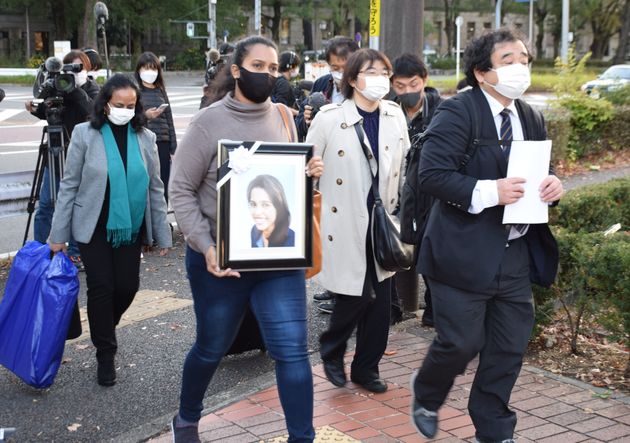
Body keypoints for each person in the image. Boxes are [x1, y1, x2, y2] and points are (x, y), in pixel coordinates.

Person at [409, 29, 563, 441]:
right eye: (509, 59)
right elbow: (432, 176)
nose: (521, 67)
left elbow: (539, 173)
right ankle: (426, 392)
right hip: (461, 252)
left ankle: (493, 431)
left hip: (514, 252)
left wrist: (552, 185)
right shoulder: (459, 112)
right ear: (482, 72)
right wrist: (490, 191)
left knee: (508, 349)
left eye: (525, 59)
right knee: (460, 343)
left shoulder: (530, 115)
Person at [169, 35, 323, 443]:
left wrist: (309, 172)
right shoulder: (208, 122)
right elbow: (180, 190)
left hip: (278, 258)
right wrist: (206, 244)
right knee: (211, 347)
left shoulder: (286, 118)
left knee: (292, 351)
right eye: (258, 67)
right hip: (220, 261)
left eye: (274, 69)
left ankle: (301, 437)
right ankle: (186, 418)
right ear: (236, 70)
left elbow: (287, 183)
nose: (267, 75)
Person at [48, 74, 172, 387]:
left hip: (129, 226)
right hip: (93, 225)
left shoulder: (144, 137)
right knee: (102, 286)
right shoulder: (84, 134)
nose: (126, 110)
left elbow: (155, 188)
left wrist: (163, 232)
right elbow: (69, 185)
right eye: (120, 105)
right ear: (105, 105)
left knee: (127, 287)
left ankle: (104, 327)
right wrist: (58, 236)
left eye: (132, 105)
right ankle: (106, 352)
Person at [305, 48, 410, 394]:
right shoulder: (329, 117)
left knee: (380, 302)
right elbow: (304, 166)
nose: (380, 78)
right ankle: (332, 349)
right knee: (355, 296)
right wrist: (311, 172)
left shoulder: (394, 115)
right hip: (345, 221)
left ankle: (367, 369)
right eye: (371, 72)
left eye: (384, 71)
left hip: (382, 221)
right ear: (352, 79)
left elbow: (404, 168)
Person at [26, 49, 100, 271]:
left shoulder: (92, 89)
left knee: (78, 206)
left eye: (78, 67)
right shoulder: (59, 85)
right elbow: (49, 109)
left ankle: (76, 254)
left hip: (80, 157)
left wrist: (75, 89)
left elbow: (93, 111)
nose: (73, 72)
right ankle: (41, 251)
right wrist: (37, 109)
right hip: (55, 151)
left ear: (86, 69)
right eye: (69, 67)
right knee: (46, 204)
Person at [390, 53, 443, 327]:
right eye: (400, 86)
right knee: (389, 252)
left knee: (431, 253)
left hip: (429, 195)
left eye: (413, 84)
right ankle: (392, 310)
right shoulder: (387, 112)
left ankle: (434, 310)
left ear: (424, 80)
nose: (408, 91)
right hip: (395, 193)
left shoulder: (443, 111)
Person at [134, 51, 177, 202]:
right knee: (145, 182)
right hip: (142, 142)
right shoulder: (135, 92)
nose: (149, 72)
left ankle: (162, 219)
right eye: (146, 68)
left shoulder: (160, 90)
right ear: (138, 70)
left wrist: (173, 147)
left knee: (163, 181)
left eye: (153, 68)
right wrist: (146, 116)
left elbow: (169, 118)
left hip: (163, 141)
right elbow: (132, 119)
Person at [248, 174, 295, 248]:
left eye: (265, 205)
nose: (257, 213)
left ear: (279, 207)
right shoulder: (254, 231)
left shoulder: (292, 241)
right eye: (253, 204)